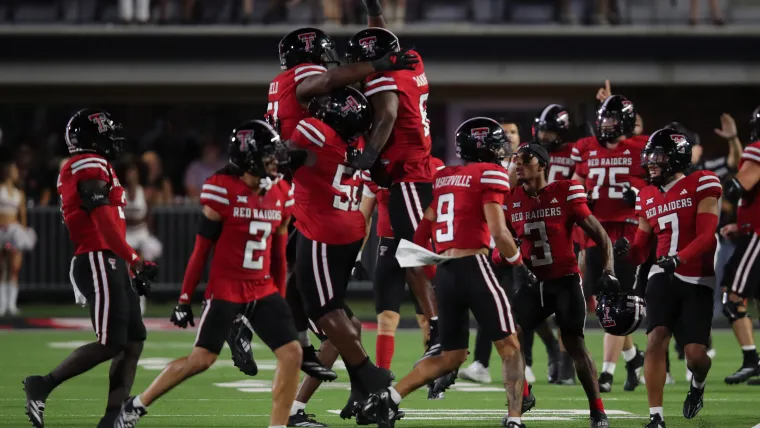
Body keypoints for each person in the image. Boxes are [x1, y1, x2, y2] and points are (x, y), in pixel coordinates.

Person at [113, 120, 301, 428]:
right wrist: (185, 299)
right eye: (268, 154)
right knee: (201, 359)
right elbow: (201, 252)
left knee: (291, 353)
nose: (274, 161)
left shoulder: (281, 191)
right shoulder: (221, 188)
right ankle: (136, 405)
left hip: (262, 288)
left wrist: (279, 299)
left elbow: (279, 255)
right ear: (249, 157)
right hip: (226, 288)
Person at [266, 26, 417, 381]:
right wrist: (380, 65)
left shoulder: (309, 127)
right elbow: (324, 83)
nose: (324, 101)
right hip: (337, 214)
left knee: (312, 298)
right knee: (303, 289)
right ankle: (335, 369)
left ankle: (363, 377)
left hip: (312, 205)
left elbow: (321, 90)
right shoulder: (354, 147)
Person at [363, 117, 533, 428]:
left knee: (451, 355)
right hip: (475, 265)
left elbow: (420, 234)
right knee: (510, 345)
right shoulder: (491, 173)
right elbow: (498, 231)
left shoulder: (445, 176)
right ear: (487, 147)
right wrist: (519, 264)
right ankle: (514, 418)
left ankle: (389, 398)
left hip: (446, 273)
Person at [23, 109, 157, 428]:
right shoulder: (88, 164)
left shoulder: (95, 166)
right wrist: (134, 259)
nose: (113, 138)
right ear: (91, 137)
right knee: (111, 341)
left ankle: (112, 417)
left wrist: (127, 262)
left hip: (110, 257)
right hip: (98, 257)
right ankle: (42, 384)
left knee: (134, 338)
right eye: (106, 132)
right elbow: (103, 221)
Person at [290, 86, 395, 422]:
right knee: (347, 325)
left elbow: (285, 155)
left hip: (320, 232)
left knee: (325, 314)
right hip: (346, 232)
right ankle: (352, 395)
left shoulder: (314, 131)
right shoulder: (359, 145)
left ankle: (371, 379)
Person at [346, 4, 443, 365]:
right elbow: (383, 42)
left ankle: (438, 324)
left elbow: (386, 114)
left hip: (409, 172)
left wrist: (369, 155)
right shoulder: (410, 58)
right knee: (408, 253)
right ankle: (437, 323)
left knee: (413, 252)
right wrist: (374, 12)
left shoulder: (384, 79)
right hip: (407, 169)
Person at [499, 143, 614, 428]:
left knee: (575, 344)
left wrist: (609, 270)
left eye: (525, 160)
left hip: (563, 281)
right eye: (516, 160)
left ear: (542, 164)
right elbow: (501, 244)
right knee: (509, 336)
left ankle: (597, 409)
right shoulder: (510, 199)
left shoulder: (566, 191)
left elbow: (601, 236)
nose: (518, 165)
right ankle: (523, 395)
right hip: (531, 283)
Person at [614, 128, 722, 427]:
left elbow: (706, 235)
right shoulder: (647, 195)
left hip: (697, 277)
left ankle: (697, 386)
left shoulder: (702, 183)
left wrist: (680, 258)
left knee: (695, 357)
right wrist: (625, 251)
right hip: (661, 273)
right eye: (648, 157)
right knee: (655, 340)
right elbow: (640, 250)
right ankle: (656, 417)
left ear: (677, 157)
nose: (650, 163)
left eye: (658, 157)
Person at [572, 94, 647, 393]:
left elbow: (656, 183)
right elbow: (576, 181)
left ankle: (606, 373)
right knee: (603, 304)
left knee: (618, 302)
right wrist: (582, 196)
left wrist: (638, 195)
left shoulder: (640, 148)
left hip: (627, 230)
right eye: (603, 118)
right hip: (596, 231)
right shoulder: (586, 148)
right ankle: (632, 357)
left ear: (626, 122)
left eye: (613, 119)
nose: (606, 125)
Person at [720, 106, 760, 385]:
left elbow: (738, 185)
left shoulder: (757, 149)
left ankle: (750, 360)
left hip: (758, 235)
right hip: (752, 231)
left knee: (733, 296)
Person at [119, 161, 163, 315]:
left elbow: (148, 216)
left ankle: (141, 297)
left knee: (144, 262)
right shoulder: (120, 192)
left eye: (133, 171)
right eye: (128, 172)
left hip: (142, 234)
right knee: (125, 268)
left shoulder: (144, 192)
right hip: (127, 235)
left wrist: (146, 232)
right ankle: (125, 300)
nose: (131, 175)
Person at [0, 162, 35, 316]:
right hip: (1, 230)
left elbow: (22, 215)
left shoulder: (19, 193)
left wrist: (23, 232)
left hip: (14, 232)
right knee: (2, 269)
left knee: (14, 269)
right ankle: (2, 305)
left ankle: (11, 305)